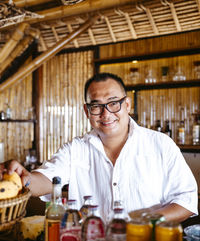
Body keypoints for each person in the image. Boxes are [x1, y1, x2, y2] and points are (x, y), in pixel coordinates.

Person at [0, 73, 198, 223]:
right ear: (87, 111)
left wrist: (143, 224)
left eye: (113, 103)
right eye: (96, 106)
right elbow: (45, 181)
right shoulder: (75, 149)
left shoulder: (160, 145)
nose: (106, 114)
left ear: (127, 105)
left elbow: (186, 202)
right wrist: (22, 178)